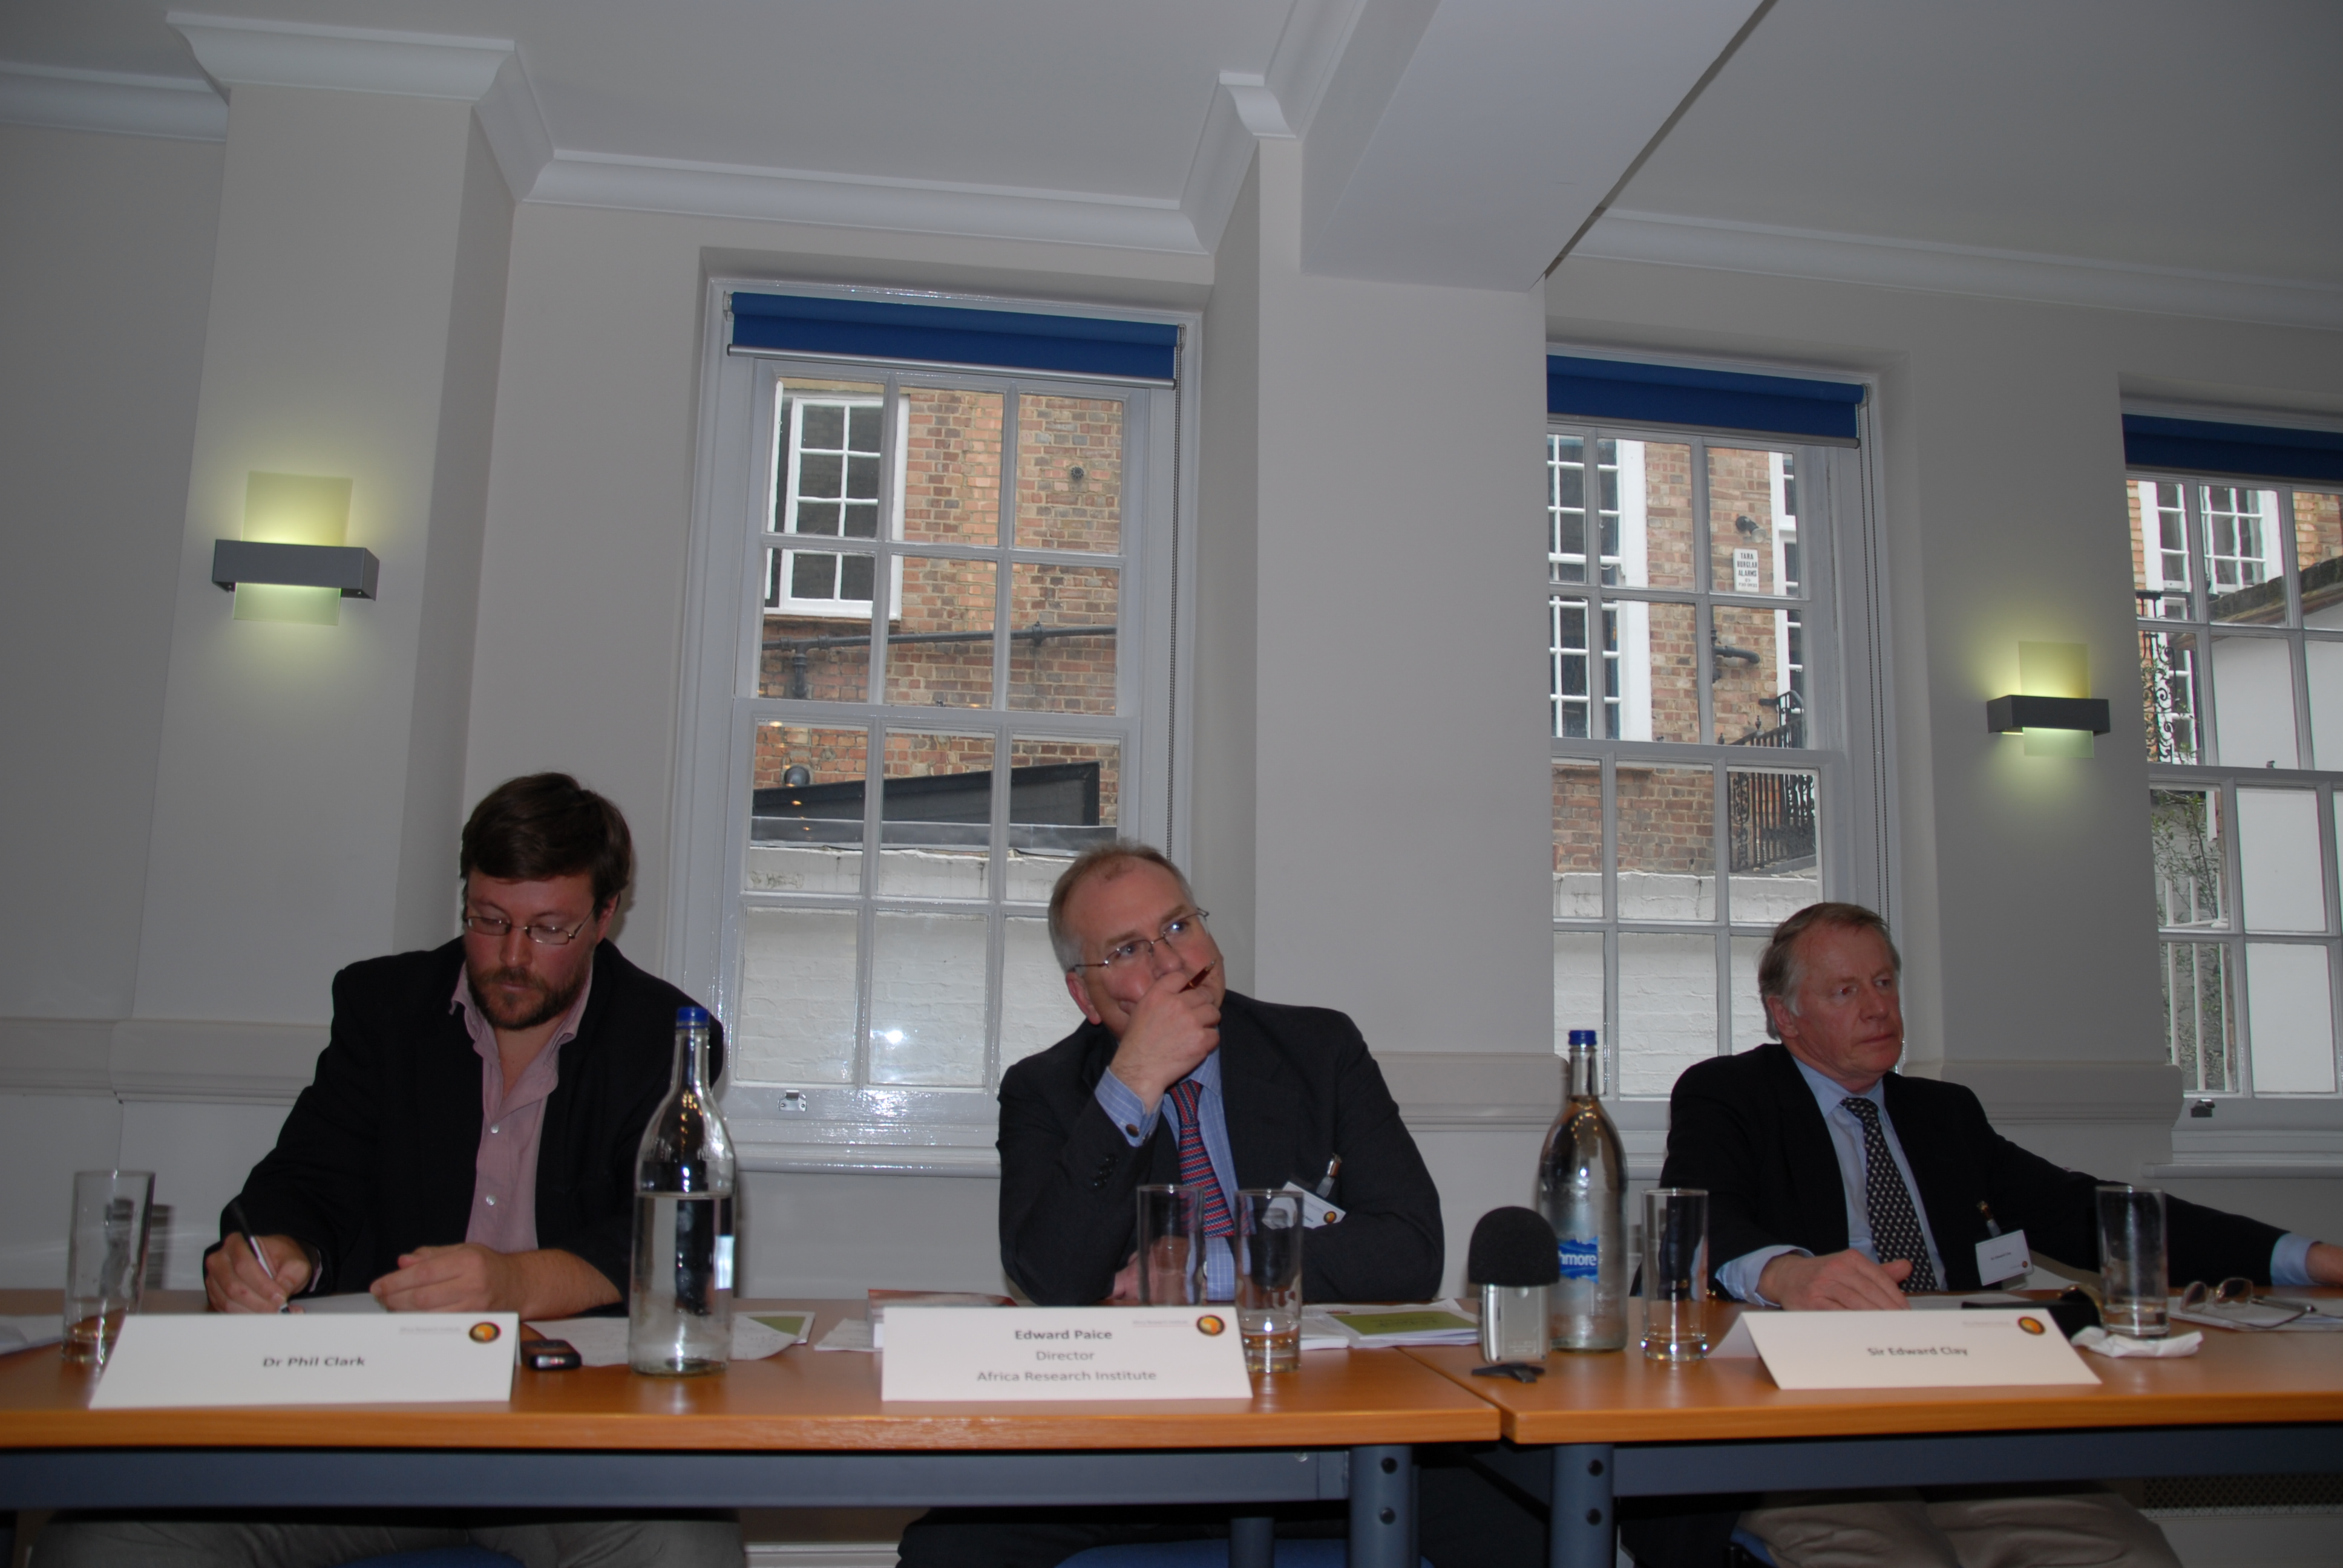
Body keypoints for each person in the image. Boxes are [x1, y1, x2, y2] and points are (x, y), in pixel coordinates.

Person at [34, 774, 741, 1568]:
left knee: (686, 1548)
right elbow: (309, 1174)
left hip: (569, 1444)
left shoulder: (662, 1035)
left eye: (549, 929)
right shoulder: (386, 1005)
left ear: (605, 917)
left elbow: (673, 1240)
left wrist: (514, 1282)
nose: (512, 957)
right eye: (489, 920)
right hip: (370, 1433)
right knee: (99, 1544)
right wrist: (279, 1251)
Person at [1656, 900, 2343, 1568]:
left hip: (1967, 1429)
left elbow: (2080, 1209)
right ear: (1785, 1016)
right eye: (1845, 991)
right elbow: (1698, 1217)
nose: (1877, 1008)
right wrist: (1786, 1273)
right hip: (1803, 1439)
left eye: (1884, 983)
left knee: (2128, 1556)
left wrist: (2305, 1258)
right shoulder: (1729, 1093)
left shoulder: (1943, 1114)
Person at [896, 841, 1444, 1568]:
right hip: (1136, 1453)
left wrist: (1200, 1271)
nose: (1170, 963)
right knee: (948, 1550)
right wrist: (1134, 1081)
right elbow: (1053, 1279)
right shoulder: (1043, 1091)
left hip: (1322, 1425)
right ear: (1083, 996)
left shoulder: (1317, 1049)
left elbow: (1411, 1249)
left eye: (1179, 926)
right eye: (1127, 949)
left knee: (1510, 1506)